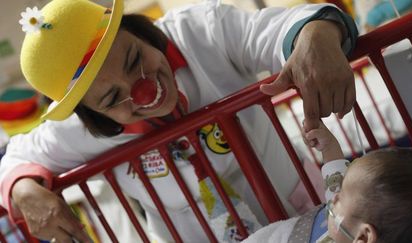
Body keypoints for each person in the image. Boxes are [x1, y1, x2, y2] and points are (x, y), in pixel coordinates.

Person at [0, 0, 359, 242]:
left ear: (141, 33)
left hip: (303, 211)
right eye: (112, 99)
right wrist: (23, 189)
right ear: (93, 114)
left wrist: (316, 33)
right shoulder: (78, 130)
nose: (143, 90)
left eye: (134, 59)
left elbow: (280, 28)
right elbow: (14, 161)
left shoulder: (200, 29)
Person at [242, 122, 412, 243]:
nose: (333, 199)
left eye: (339, 199)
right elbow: (336, 177)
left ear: (364, 237)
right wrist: (328, 145)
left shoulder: (351, 216)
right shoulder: (351, 217)